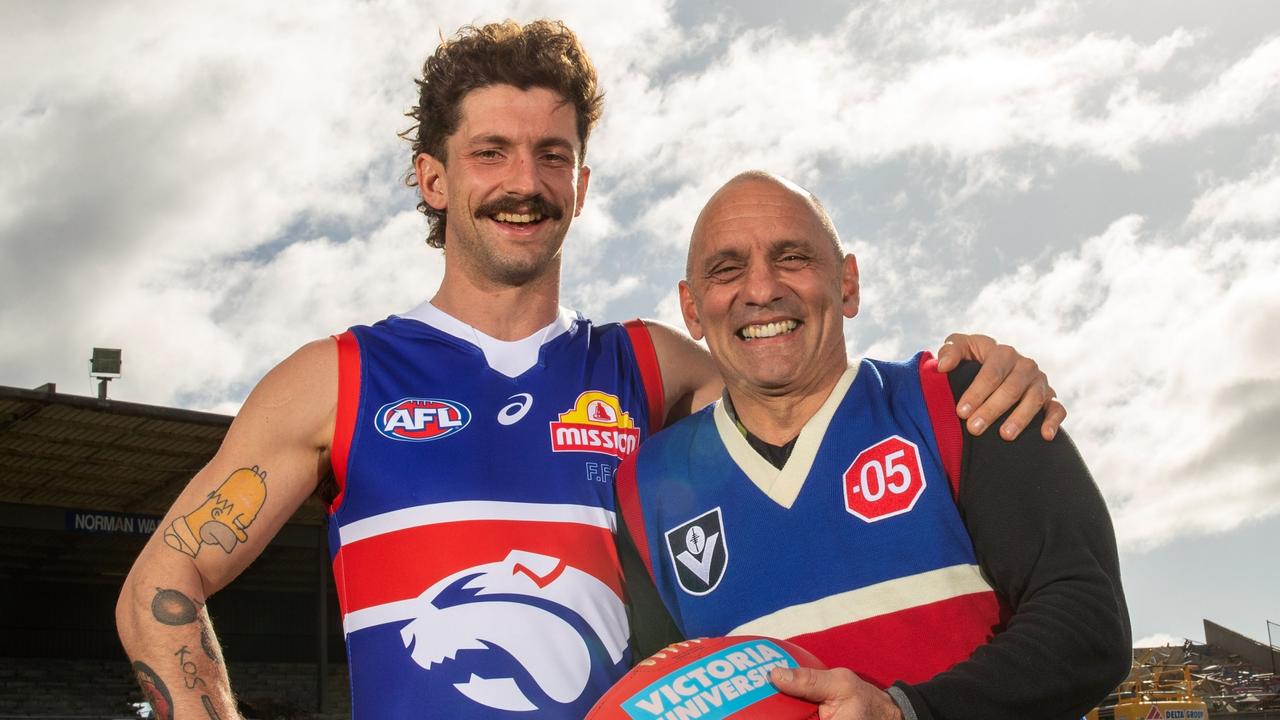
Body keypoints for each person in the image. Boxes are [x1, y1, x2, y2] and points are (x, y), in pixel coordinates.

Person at [116, 21, 1066, 720]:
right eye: (491, 152)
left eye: (552, 155)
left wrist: (976, 374)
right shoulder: (338, 378)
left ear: (580, 182)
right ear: (433, 179)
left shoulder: (650, 363)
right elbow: (161, 591)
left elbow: (805, 386)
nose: (523, 182)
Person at [616, 171, 1131, 720]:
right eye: (727, 269)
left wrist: (906, 712)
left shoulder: (960, 399)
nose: (762, 290)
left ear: (848, 283)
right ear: (692, 308)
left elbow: (1089, 620)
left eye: (793, 258)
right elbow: (662, 698)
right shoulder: (647, 490)